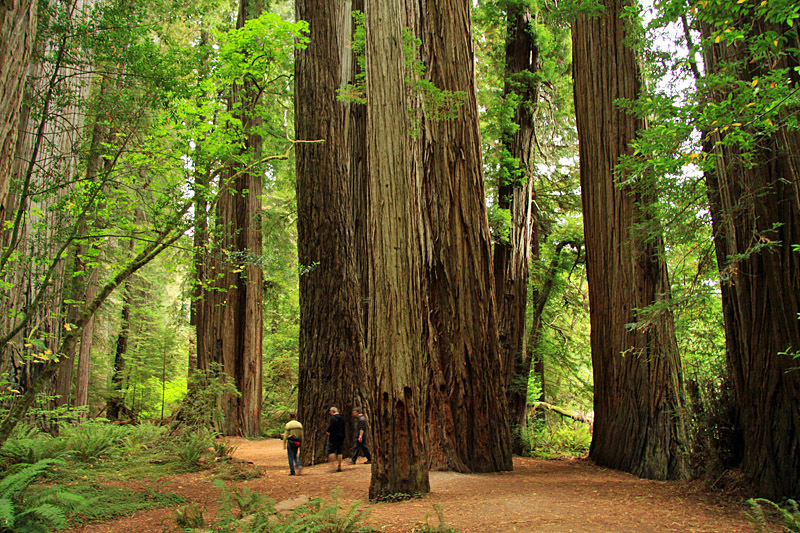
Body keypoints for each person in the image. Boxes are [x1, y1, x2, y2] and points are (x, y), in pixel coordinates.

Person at [326, 406, 346, 472]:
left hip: (333, 436)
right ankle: (339, 465)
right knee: (339, 451)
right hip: (341, 436)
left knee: (331, 451)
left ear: (332, 412)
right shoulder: (342, 417)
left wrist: (328, 431)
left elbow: (331, 426)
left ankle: (333, 465)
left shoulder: (333, 418)